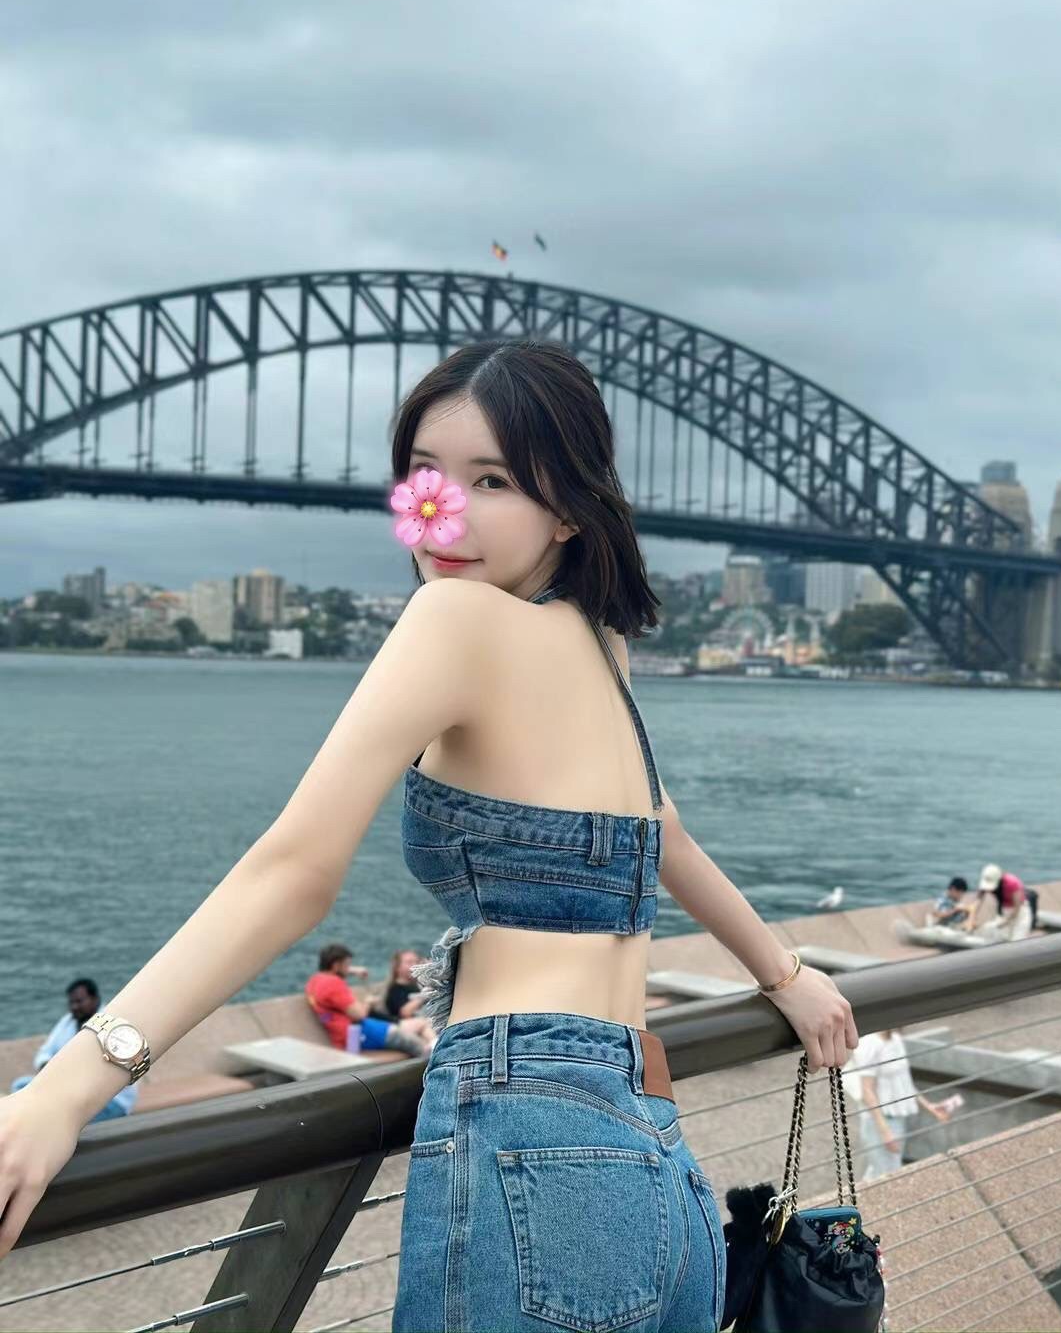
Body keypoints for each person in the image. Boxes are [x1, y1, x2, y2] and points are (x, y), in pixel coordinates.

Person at [0, 340, 860, 1333]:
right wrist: (785, 974)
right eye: (424, 476)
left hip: (533, 1135)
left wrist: (69, 1089)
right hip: (656, 1167)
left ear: (570, 508)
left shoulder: (453, 618)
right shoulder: (600, 643)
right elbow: (659, 831)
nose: (443, 513)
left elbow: (293, 872)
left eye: (492, 480)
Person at [7, 979, 138, 1123]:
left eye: (79, 1001)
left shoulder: (110, 1023)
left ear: (95, 999)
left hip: (109, 1100)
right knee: (21, 1086)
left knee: (55, 1114)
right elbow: (45, 1051)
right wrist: (47, 1066)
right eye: (71, 1002)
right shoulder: (68, 1021)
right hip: (70, 1091)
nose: (74, 1007)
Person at [841, 1028, 952, 1180]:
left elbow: (904, 1083)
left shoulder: (896, 1039)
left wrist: (929, 1106)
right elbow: (867, 1090)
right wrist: (885, 1132)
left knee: (881, 1172)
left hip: (897, 1120)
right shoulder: (868, 1044)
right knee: (888, 1175)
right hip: (879, 1122)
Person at [305, 945, 433, 1057]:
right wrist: (368, 1002)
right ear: (336, 965)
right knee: (413, 1042)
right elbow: (359, 1014)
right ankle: (434, 1067)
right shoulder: (334, 984)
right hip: (354, 1035)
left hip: (356, 1029)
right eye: (347, 965)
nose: (349, 968)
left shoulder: (315, 980)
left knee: (402, 1031)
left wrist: (353, 971)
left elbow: (334, 972)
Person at [961, 862, 1034, 941]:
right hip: (1004, 911)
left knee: (1017, 940)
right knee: (997, 936)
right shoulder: (985, 882)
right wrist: (971, 920)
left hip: (1020, 913)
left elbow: (1017, 908)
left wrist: (1005, 921)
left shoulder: (1012, 883)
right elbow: (978, 901)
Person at [382, 949, 426, 1021]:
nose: (415, 966)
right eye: (409, 962)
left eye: (417, 962)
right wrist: (425, 996)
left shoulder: (417, 986)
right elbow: (405, 1012)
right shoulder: (395, 989)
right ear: (397, 967)